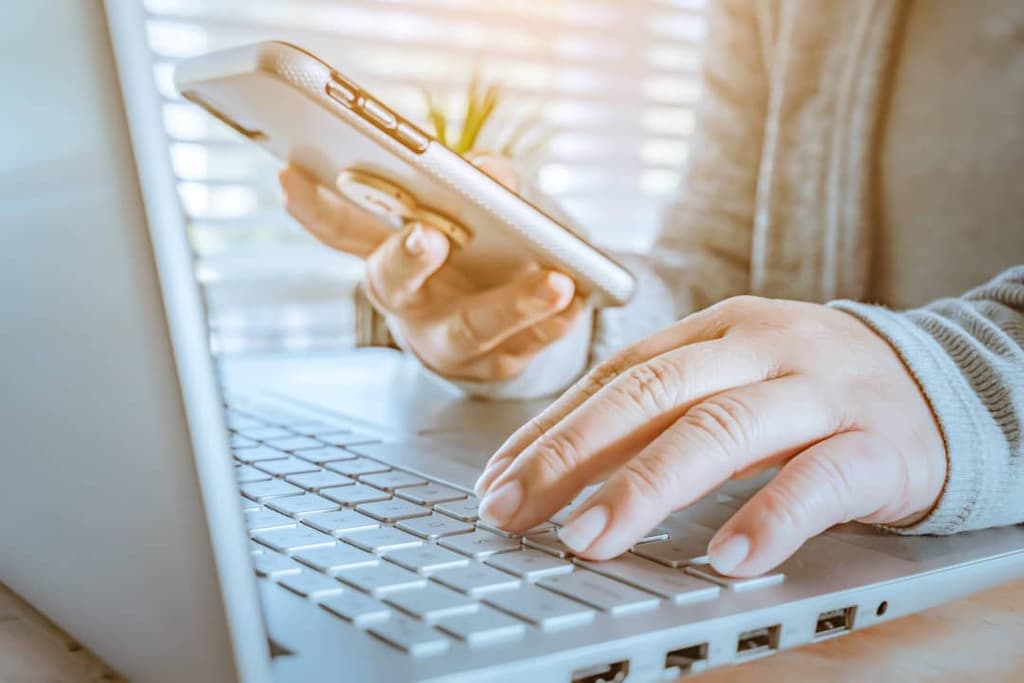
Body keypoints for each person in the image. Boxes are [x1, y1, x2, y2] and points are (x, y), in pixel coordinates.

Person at [279, 0, 1024, 577]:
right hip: (790, 541)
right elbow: (721, 266)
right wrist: (554, 317)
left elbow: (940, 383)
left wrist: (950, 388)